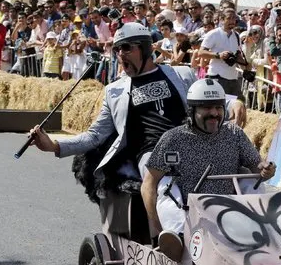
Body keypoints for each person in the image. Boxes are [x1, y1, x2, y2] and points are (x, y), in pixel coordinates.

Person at [28, 22, 247, 205]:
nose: (120, 54)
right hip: (152, 154)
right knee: (168, 189)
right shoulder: (114, 91)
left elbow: (207, 98)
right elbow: (95, 136)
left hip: (193, 144)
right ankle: (170, 238)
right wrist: (54, 145)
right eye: (117, 49)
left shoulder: (181, 74)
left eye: (126, 48)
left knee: (244, 176)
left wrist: (232, 102)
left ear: (145, 49)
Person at [140, 79, 276, 260]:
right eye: (206, 108)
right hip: (187, 213)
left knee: (252, 180)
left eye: (218, 108)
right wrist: (158, 228)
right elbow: (148, 184)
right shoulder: (173, 139)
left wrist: (265, 169)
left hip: (228, 210)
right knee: (165, 183)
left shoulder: (234, 133)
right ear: (192, 110)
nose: (214, 113)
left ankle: (260, 230)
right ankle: (175, 237)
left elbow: (256, 166)